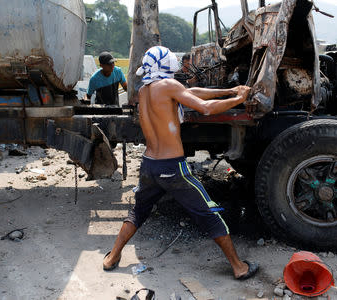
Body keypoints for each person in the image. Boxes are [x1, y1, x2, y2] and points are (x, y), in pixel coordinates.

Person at [103, 46, 259, 280]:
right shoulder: (169, 87)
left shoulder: (144, 89)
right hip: (172, 167)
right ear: (168, 65)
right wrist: (239, 98)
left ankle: (112, 256)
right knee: (208, 213)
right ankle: (239, 267)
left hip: (149, 165)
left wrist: (228, 90)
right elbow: (204, 107)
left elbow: (190, 91)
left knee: (138, 211)